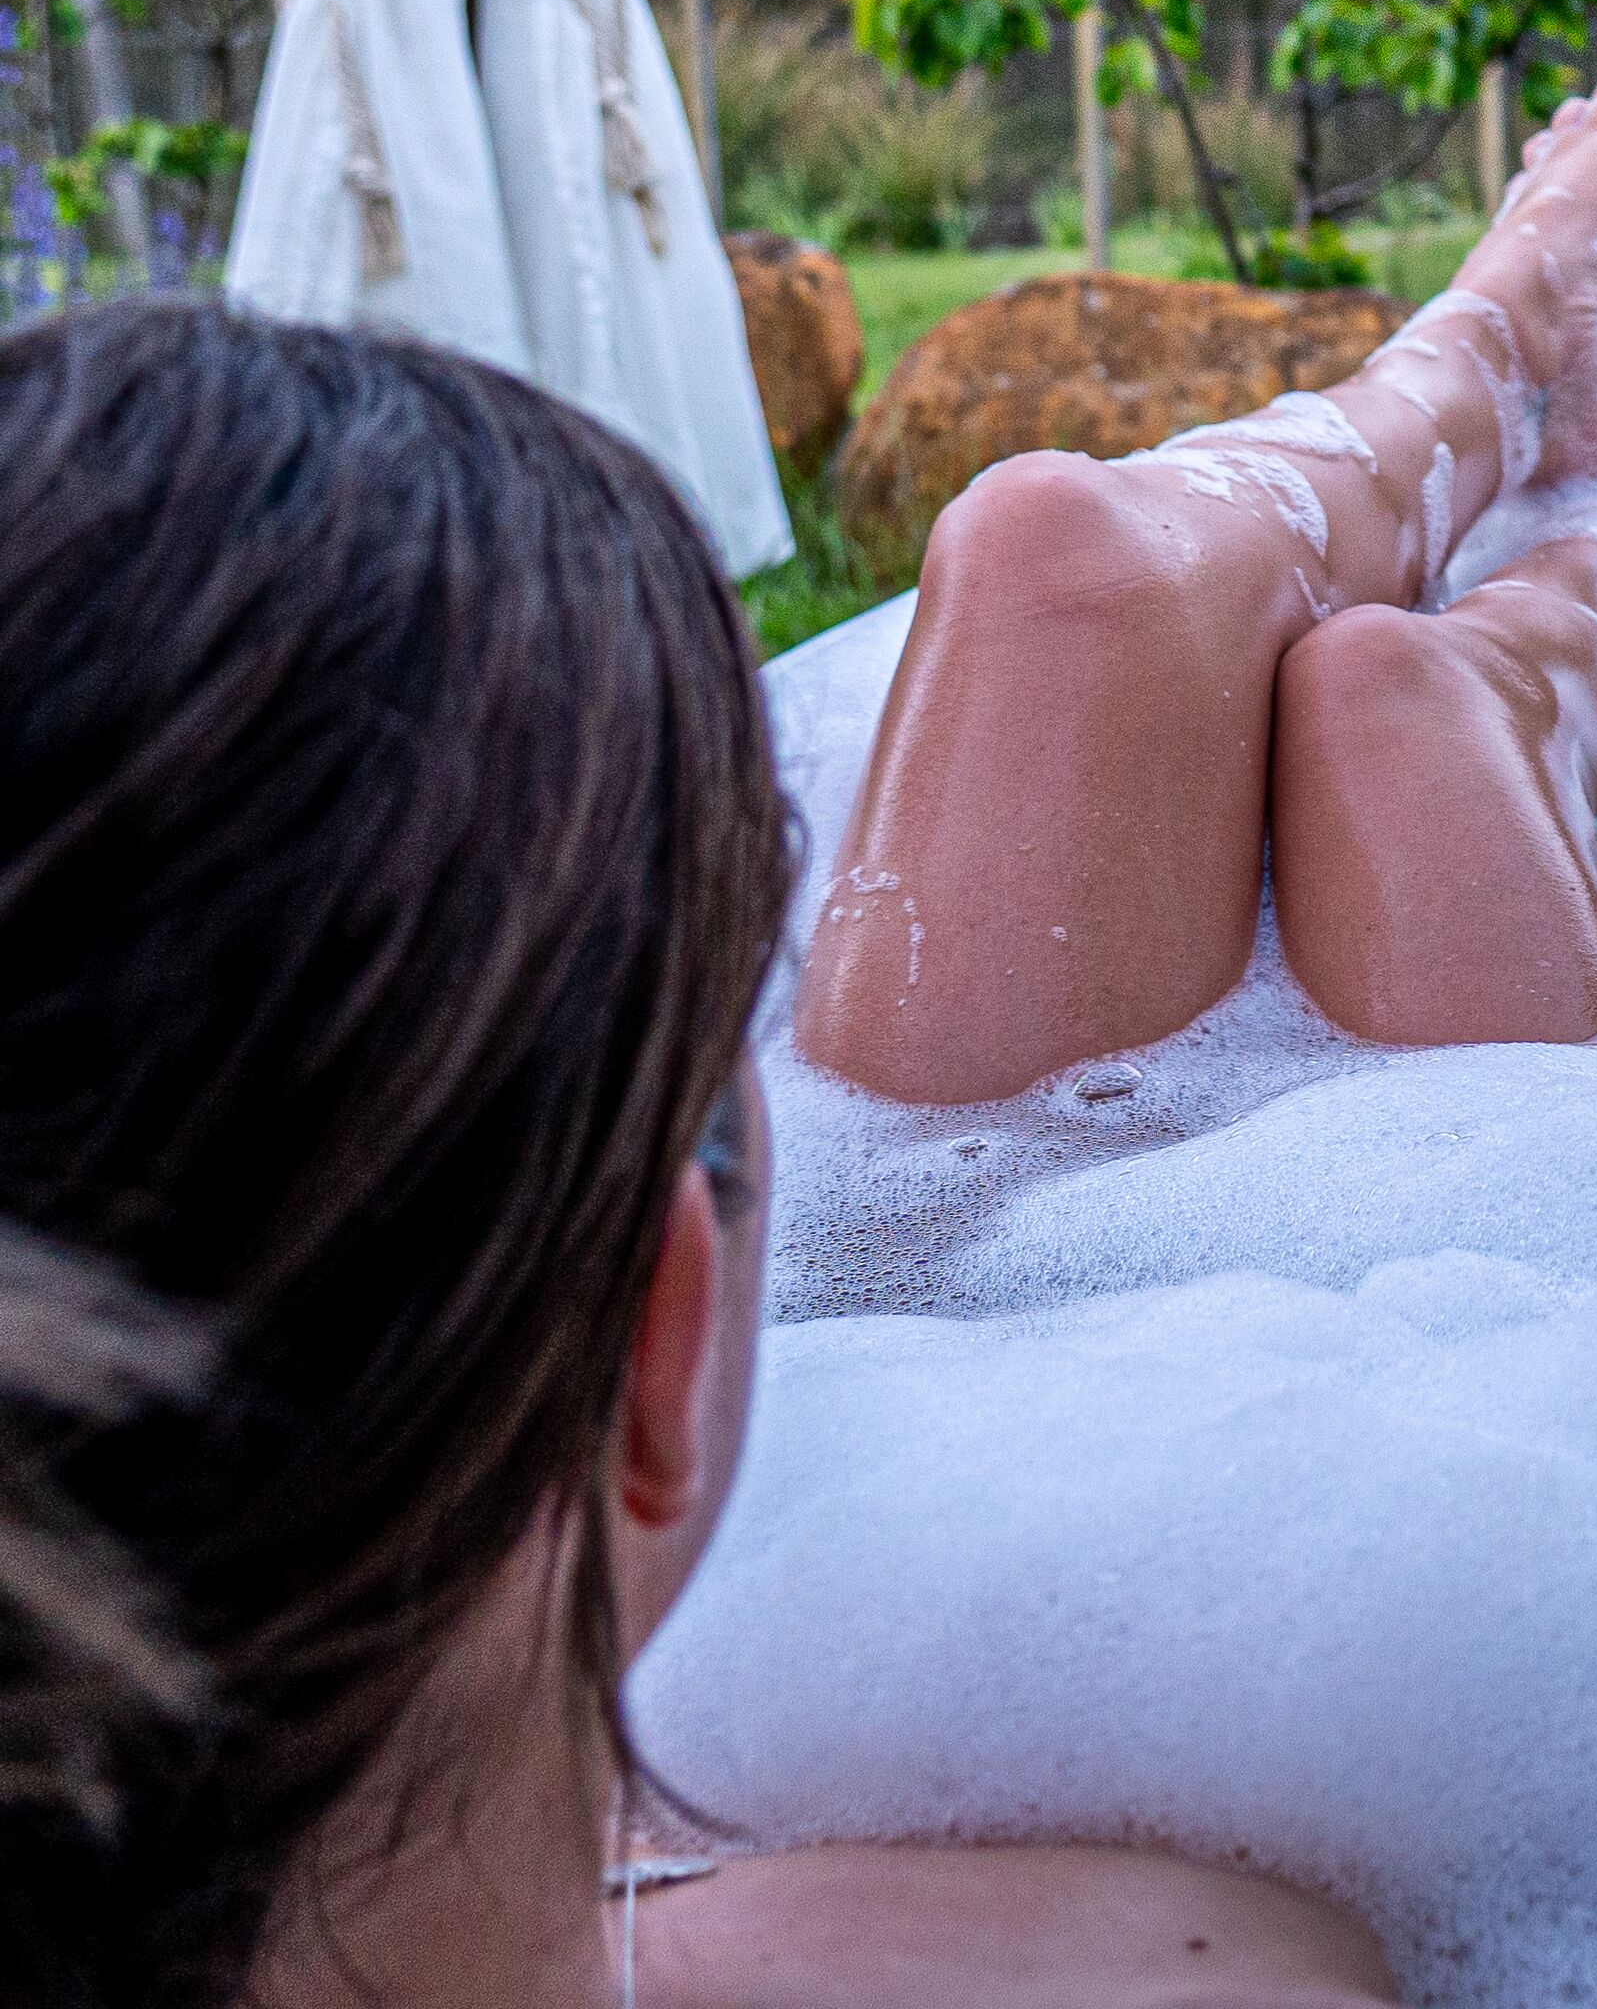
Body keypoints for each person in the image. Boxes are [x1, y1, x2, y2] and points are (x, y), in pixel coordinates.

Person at [0, 296, 1396, 2008]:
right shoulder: (1220, 1961)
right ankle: (1517, 557)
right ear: (657, 1338)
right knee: (1079, 593)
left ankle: (1464, 466)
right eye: (744, 999)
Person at [794, 52, 1597, 1101]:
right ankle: (1574, 474)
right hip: (1487, 1210)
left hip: (953, 1201)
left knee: (1045, 544)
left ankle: (1502, 361)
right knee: (1386, 694)